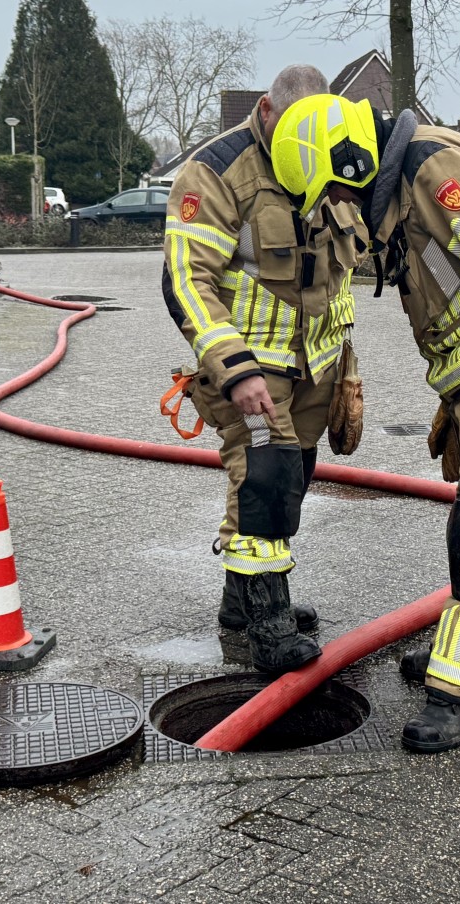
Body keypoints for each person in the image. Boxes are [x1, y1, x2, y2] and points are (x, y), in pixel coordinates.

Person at [268, 93, 460, 752]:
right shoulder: (403, 181)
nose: (340, 207)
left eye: (336, 192)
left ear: (353, 161)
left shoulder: (435, 169)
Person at [161, 65, 362, 675]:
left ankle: (240, 603)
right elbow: (185, 279)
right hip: (250, 368)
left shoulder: (327, 150)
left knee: (293, 477)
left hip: (317, 365)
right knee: (264, 480)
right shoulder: (217, 171)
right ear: (268, 109)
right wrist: (234, 368)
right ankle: (270, 629)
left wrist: (345, 363)